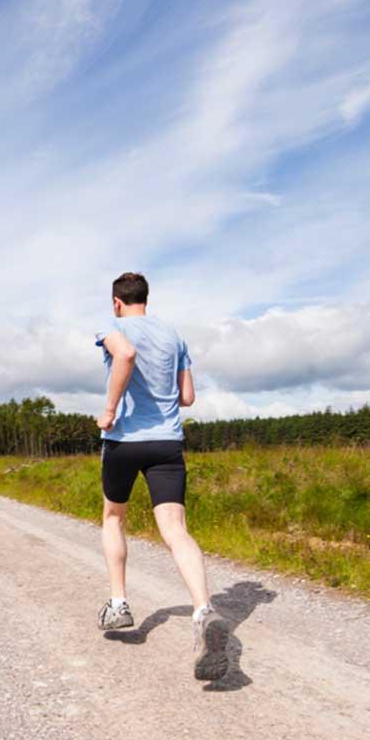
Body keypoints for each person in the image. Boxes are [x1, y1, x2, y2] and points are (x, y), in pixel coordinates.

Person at [94, 271, 224, 680]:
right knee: (175, 529)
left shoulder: (112, 326)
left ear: (117, 302)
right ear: (145, 299)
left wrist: (111, 410)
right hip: (167, 442)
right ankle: (204, 609)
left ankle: (118, 605)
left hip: (123, 440)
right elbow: (187, 396)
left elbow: (125, 355)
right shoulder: (173, 334)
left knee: (114, 516)